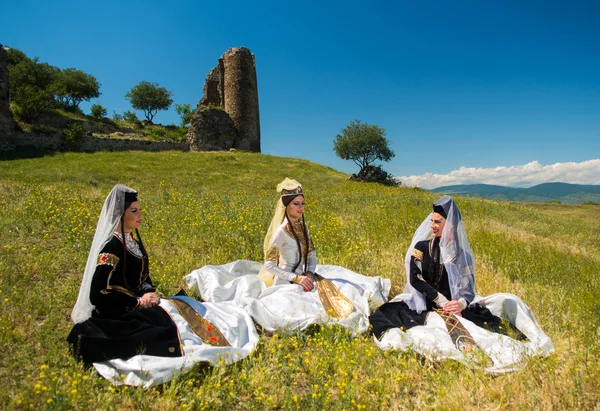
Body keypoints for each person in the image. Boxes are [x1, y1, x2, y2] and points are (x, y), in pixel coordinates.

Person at [67, 184, 259, 386]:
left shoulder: (133, 242)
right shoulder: (111, 248)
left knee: (186, 306)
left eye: (140, 210)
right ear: (120, 215)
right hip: (121, 311)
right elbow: (99, 293)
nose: (140, 215)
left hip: (144, 302)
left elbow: (143, 277)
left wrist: (149, 291)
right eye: (134, 211)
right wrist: (138, 301)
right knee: (170, 326)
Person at [369, 196, 554, 372]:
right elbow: (415, 278)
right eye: (432, 221)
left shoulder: (462, 255)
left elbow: (468, 288)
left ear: (449, 224)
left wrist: (461, 304)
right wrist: (441, 301)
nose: (432, 226)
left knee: (494, 318)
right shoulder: (422, 248)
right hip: (428, 306)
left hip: (455, 307)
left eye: (438, 222)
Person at [185, 178, 391, 334]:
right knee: (296, 310)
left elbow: (312, 253)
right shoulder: (281, 232)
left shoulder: (303, 227)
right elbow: (269, 264)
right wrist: (296, 278)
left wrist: (309, 274)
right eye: (296, 204)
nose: (300, 208)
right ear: (286, 206)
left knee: (347, 293)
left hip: (307, 277)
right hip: (284, 282)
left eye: (302, 204)